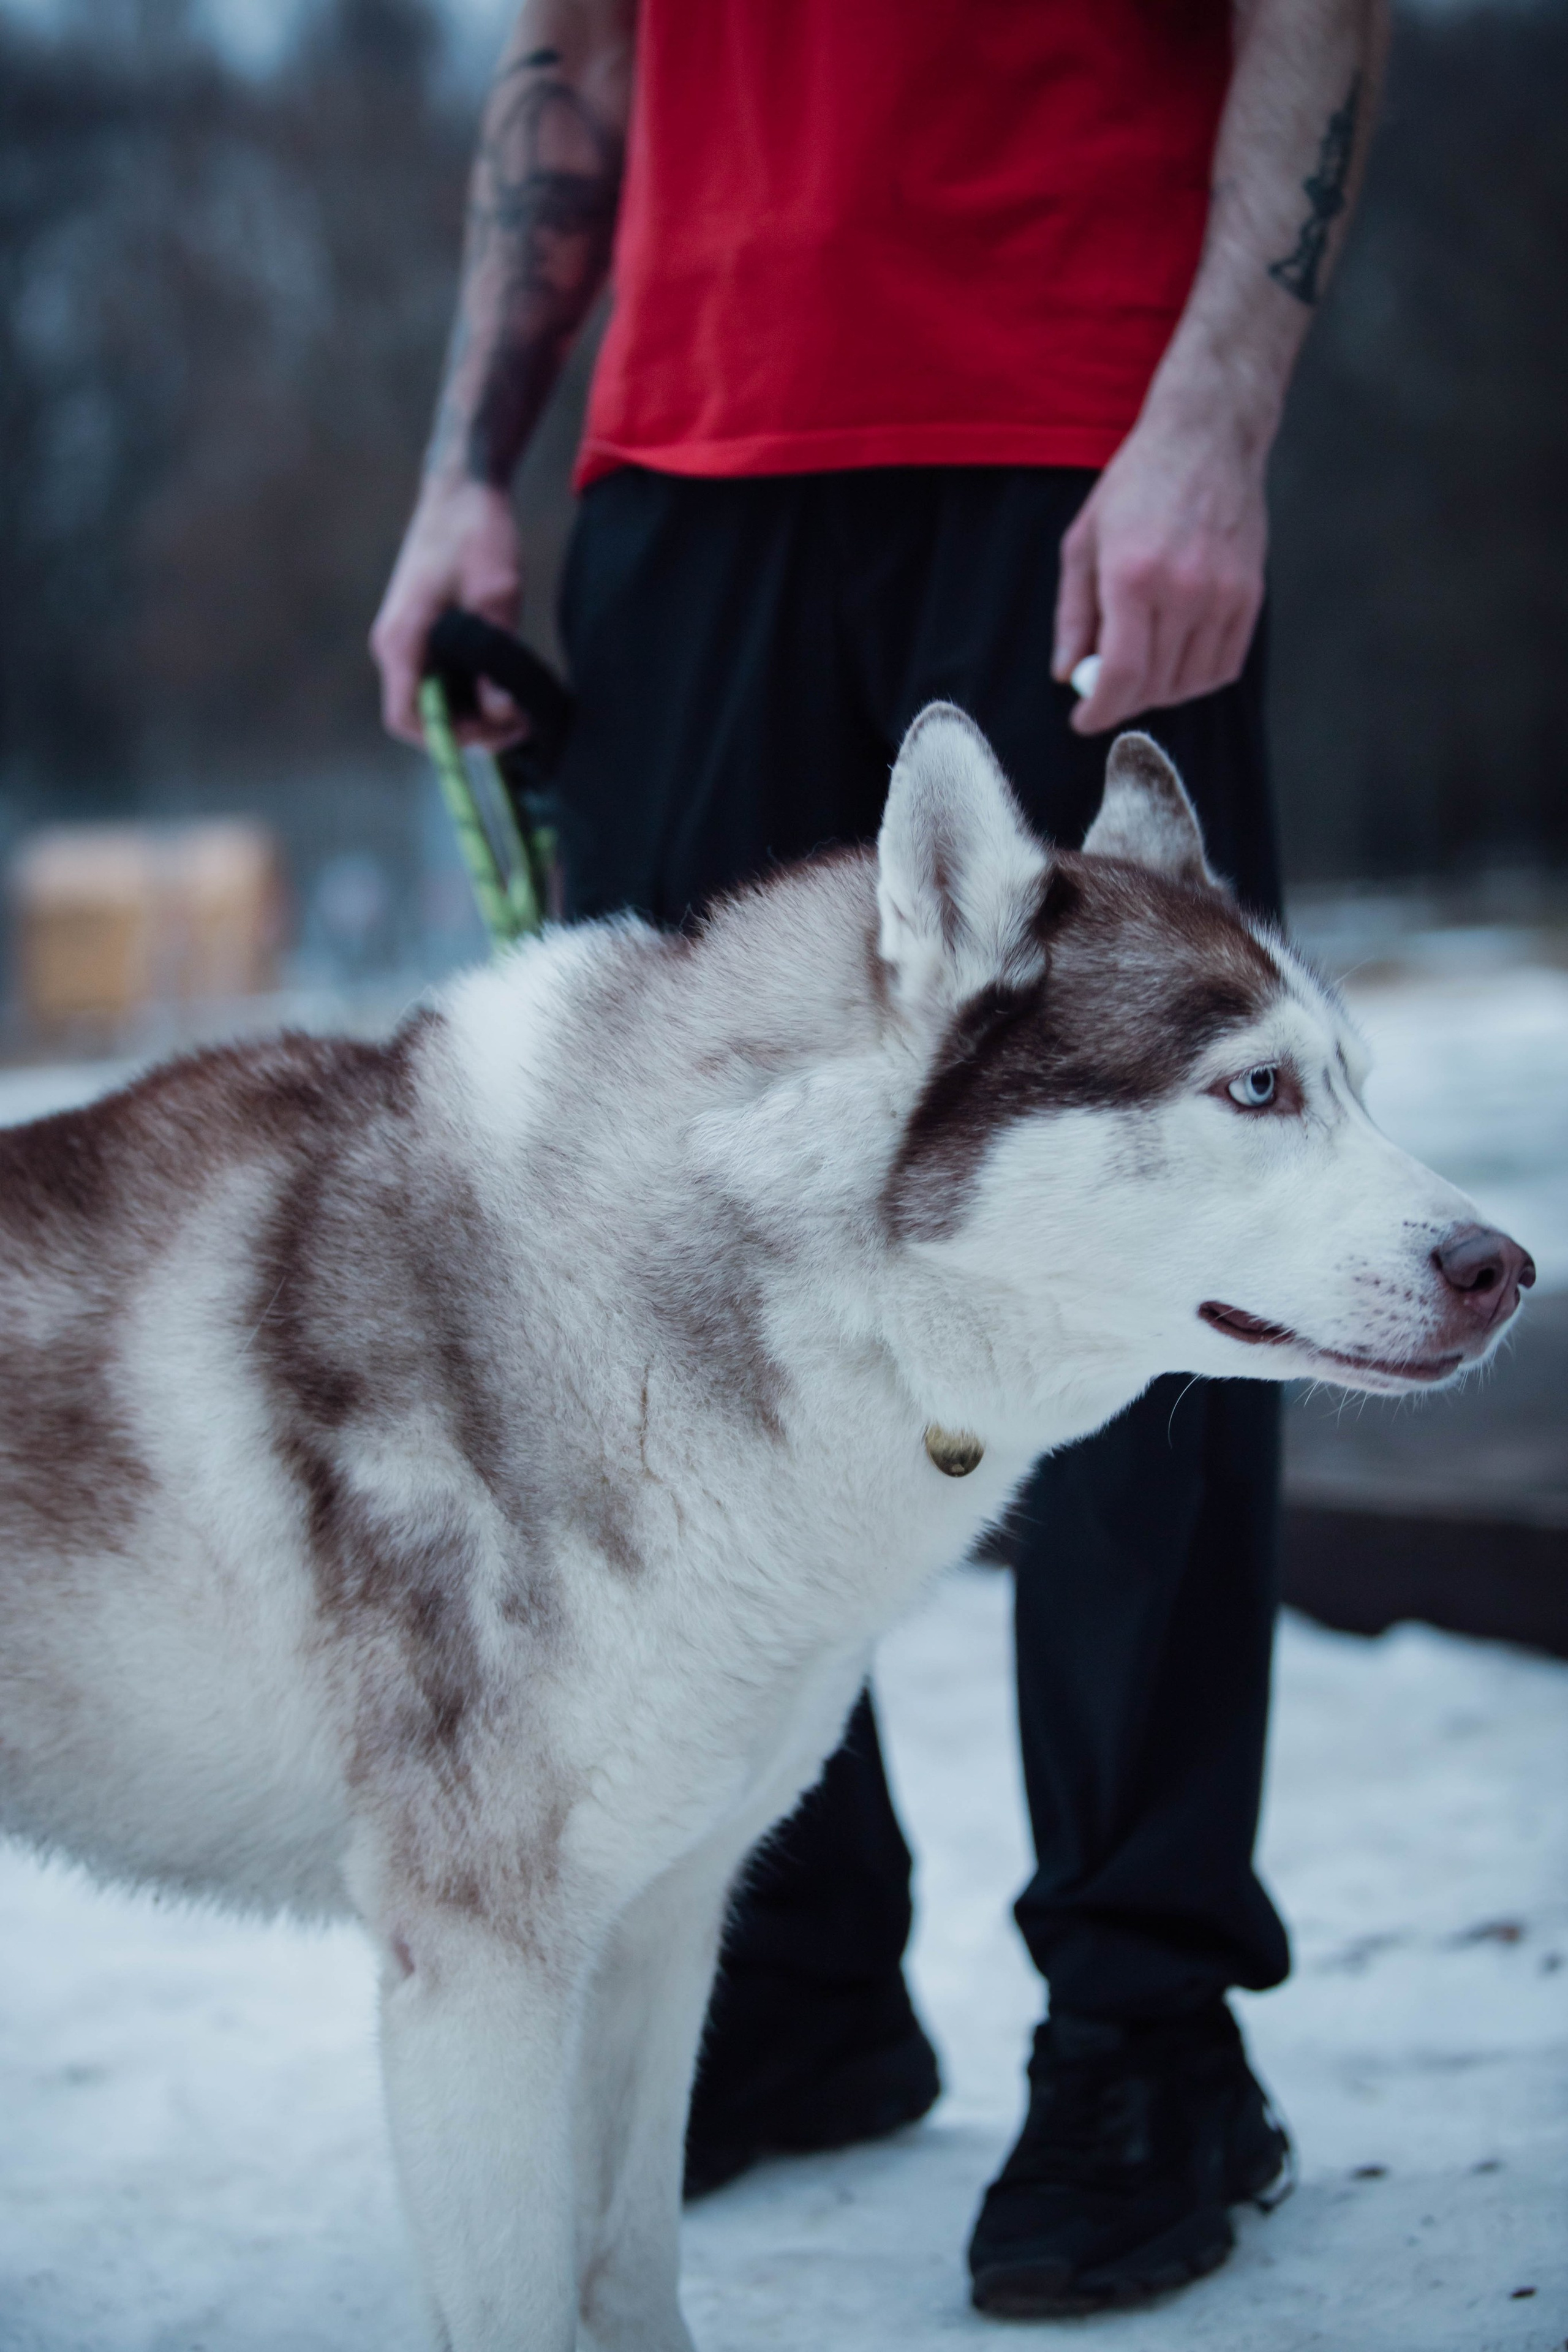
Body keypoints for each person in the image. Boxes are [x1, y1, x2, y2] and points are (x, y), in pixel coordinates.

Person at [372, 0, 1385, 2315]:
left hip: (1067, 417)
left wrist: (1214, 416)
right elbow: (573, 58)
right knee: (697, 1257)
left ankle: (1151, 2033)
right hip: (682, 460)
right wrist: (470, 470)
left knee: (1137, 1237)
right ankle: (798, 1987)